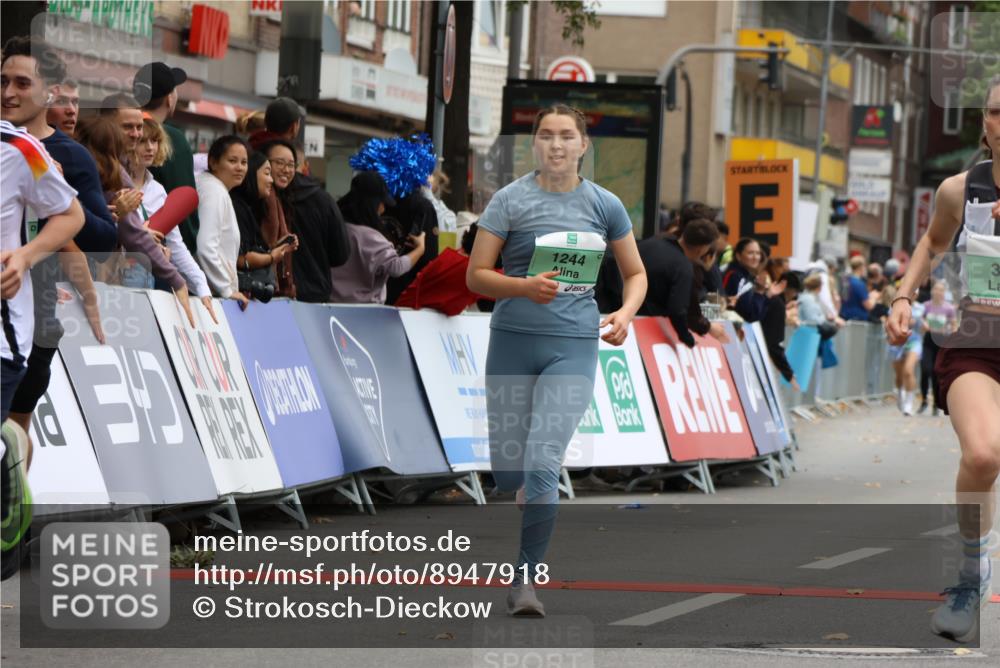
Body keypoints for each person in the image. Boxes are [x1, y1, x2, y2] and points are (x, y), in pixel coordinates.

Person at [466, 104, 647, 617]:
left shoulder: (604, 204)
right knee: (508, 474)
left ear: (583, 145)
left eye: (567, 136)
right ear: (534, 145)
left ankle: (525, 582)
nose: (556, 145)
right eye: (546, 136)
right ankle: (524, 485)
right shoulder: (509, 200)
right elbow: (476, 276)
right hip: (513, 341)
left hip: (573, 345)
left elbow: (635, 274)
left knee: (544, 460)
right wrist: (524, 286)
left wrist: (627, 312)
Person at [885, 74, 1000, 642]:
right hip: (976, 338)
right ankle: (971, 572)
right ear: (985, 122)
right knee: (982, 456)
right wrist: (904, 295)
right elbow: (932, 243)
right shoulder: (960, 189)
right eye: (999, 112)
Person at [2, 37, 116, 462]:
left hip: (35, 311)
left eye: (21, 82)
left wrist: (55, 192)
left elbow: (98, 236)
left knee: (15, 429)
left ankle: (11, 518)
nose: (9, 93)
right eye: (2, 81)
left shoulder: (57, 155)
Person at [1, 118, 84, 581]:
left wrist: (25, 256)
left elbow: (73, 216)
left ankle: (9, 442)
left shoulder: (19, 147)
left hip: (5, 334)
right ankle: (8, 443)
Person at [131, 116, 216, 320]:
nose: (150, 147)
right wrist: (140, 234)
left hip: (146, 282)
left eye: (155, 141)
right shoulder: (113, 181)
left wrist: (203, 288)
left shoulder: (158, 191)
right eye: (143, 141)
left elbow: (177, 247)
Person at [260, 138, 350, 303]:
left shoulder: (275, 197)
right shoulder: (262, 198)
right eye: (279, 163)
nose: (286, 170)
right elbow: (340, 255)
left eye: (290, 165)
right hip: (303, 295)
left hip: (278, 294)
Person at [329, 172, 424, 304]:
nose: (383, 209)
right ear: (372, 203)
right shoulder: (371, 238)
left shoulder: (335, 227)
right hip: (362, 312)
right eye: (382, 203)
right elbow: (396, 267)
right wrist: (420, 249)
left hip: (330, 306)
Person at [135, 61, 200, 254]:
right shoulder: (174, 140)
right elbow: (183, 204)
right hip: (165, 253)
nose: (150, 147)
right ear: (169, 99)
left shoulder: (118, 129)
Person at [636, 219, 728, 346]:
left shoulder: (652, 243)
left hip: (615, 312)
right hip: (643, 327)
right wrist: (687, 338)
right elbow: (678, 309)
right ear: (702, 249)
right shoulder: (683, 268)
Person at [230, 150, 297, 302]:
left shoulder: (248, 206)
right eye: (267, 173)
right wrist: (271, 257)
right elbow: (240, 258)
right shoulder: (237, 206)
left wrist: (279, 247)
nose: (271, 180)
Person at [196, 135, 250, 307]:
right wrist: (226, 289)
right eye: (232, 160)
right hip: (209, 297)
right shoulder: (215, 192)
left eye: (244, 162)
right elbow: (205, 246)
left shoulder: (211, 187)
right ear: (213, 162)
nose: (240, 168)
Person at [394, 223, 494, 316]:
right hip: (411, 319)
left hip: (406, 314)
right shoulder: (471, 270)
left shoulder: (455, 256)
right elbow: (506, 288)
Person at [918, 280, 957, 416]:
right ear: (932, 291)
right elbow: (920, 318)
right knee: (925, 369)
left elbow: (953, 325)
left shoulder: (948, 308)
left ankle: (935, 403)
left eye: (941, 290)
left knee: (935, 372)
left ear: (944, 293)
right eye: (936, 289)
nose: (938, 292)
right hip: (928, 339)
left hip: (941, 342)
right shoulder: (926, 306)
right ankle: (923, 400)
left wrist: (951, 334)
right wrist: (923, 324)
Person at [759, 271, 802, 391]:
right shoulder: (777, 304)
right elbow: (774, 344)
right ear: (790, 290)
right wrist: (789, 375)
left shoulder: (772, 299)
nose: (794, 297)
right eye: (795, 293)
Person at [887, 287, 924, 416]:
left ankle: (909, 403)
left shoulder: (919, 308)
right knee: (899, 376)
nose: (912, 295)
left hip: (913, 341)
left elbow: (917, 323)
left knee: (908, 371)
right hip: (898, 343)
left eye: (915, 293)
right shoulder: (894, 307)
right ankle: (901, 394)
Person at [841, 255, 879, 321]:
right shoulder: (859, 284)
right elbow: (869, 306)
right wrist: (874, 297)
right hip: (858, 319)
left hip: (845, 316)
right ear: (861, 267)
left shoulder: (845, 281)